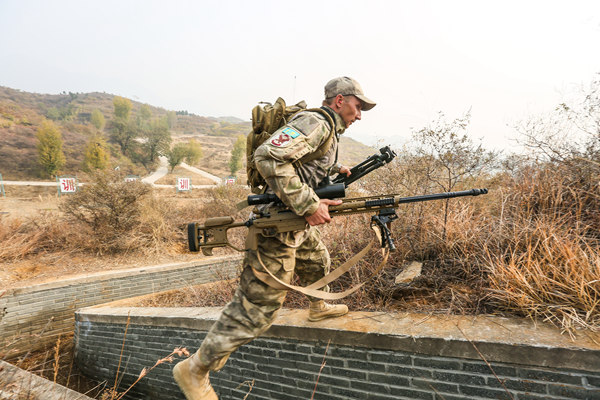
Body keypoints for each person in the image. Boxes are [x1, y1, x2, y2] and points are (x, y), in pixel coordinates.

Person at [173, 77, 376, 400]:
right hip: (276, 226)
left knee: (316, 259)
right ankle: (195, 369)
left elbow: (299, 161)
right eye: (357, 106)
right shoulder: (316, 123)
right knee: (258, 309)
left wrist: (331, 170)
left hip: (292, 219)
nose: (360, 114)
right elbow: (268, 157)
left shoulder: (326, 130)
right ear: (339, 100)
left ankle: (318, 304)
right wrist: (309, 204)